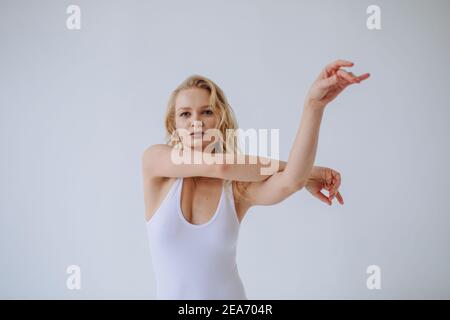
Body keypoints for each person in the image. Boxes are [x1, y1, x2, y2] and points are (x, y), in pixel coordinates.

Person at [141, 59, 370, 299]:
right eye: (185, 114)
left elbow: (291, 181)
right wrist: (308, 173)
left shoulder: (236, 187)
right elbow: (222, 165)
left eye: (206, 112)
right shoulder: (155, 162)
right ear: (173, 124)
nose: (196, 121)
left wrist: (314, 105)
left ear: (219, 120)